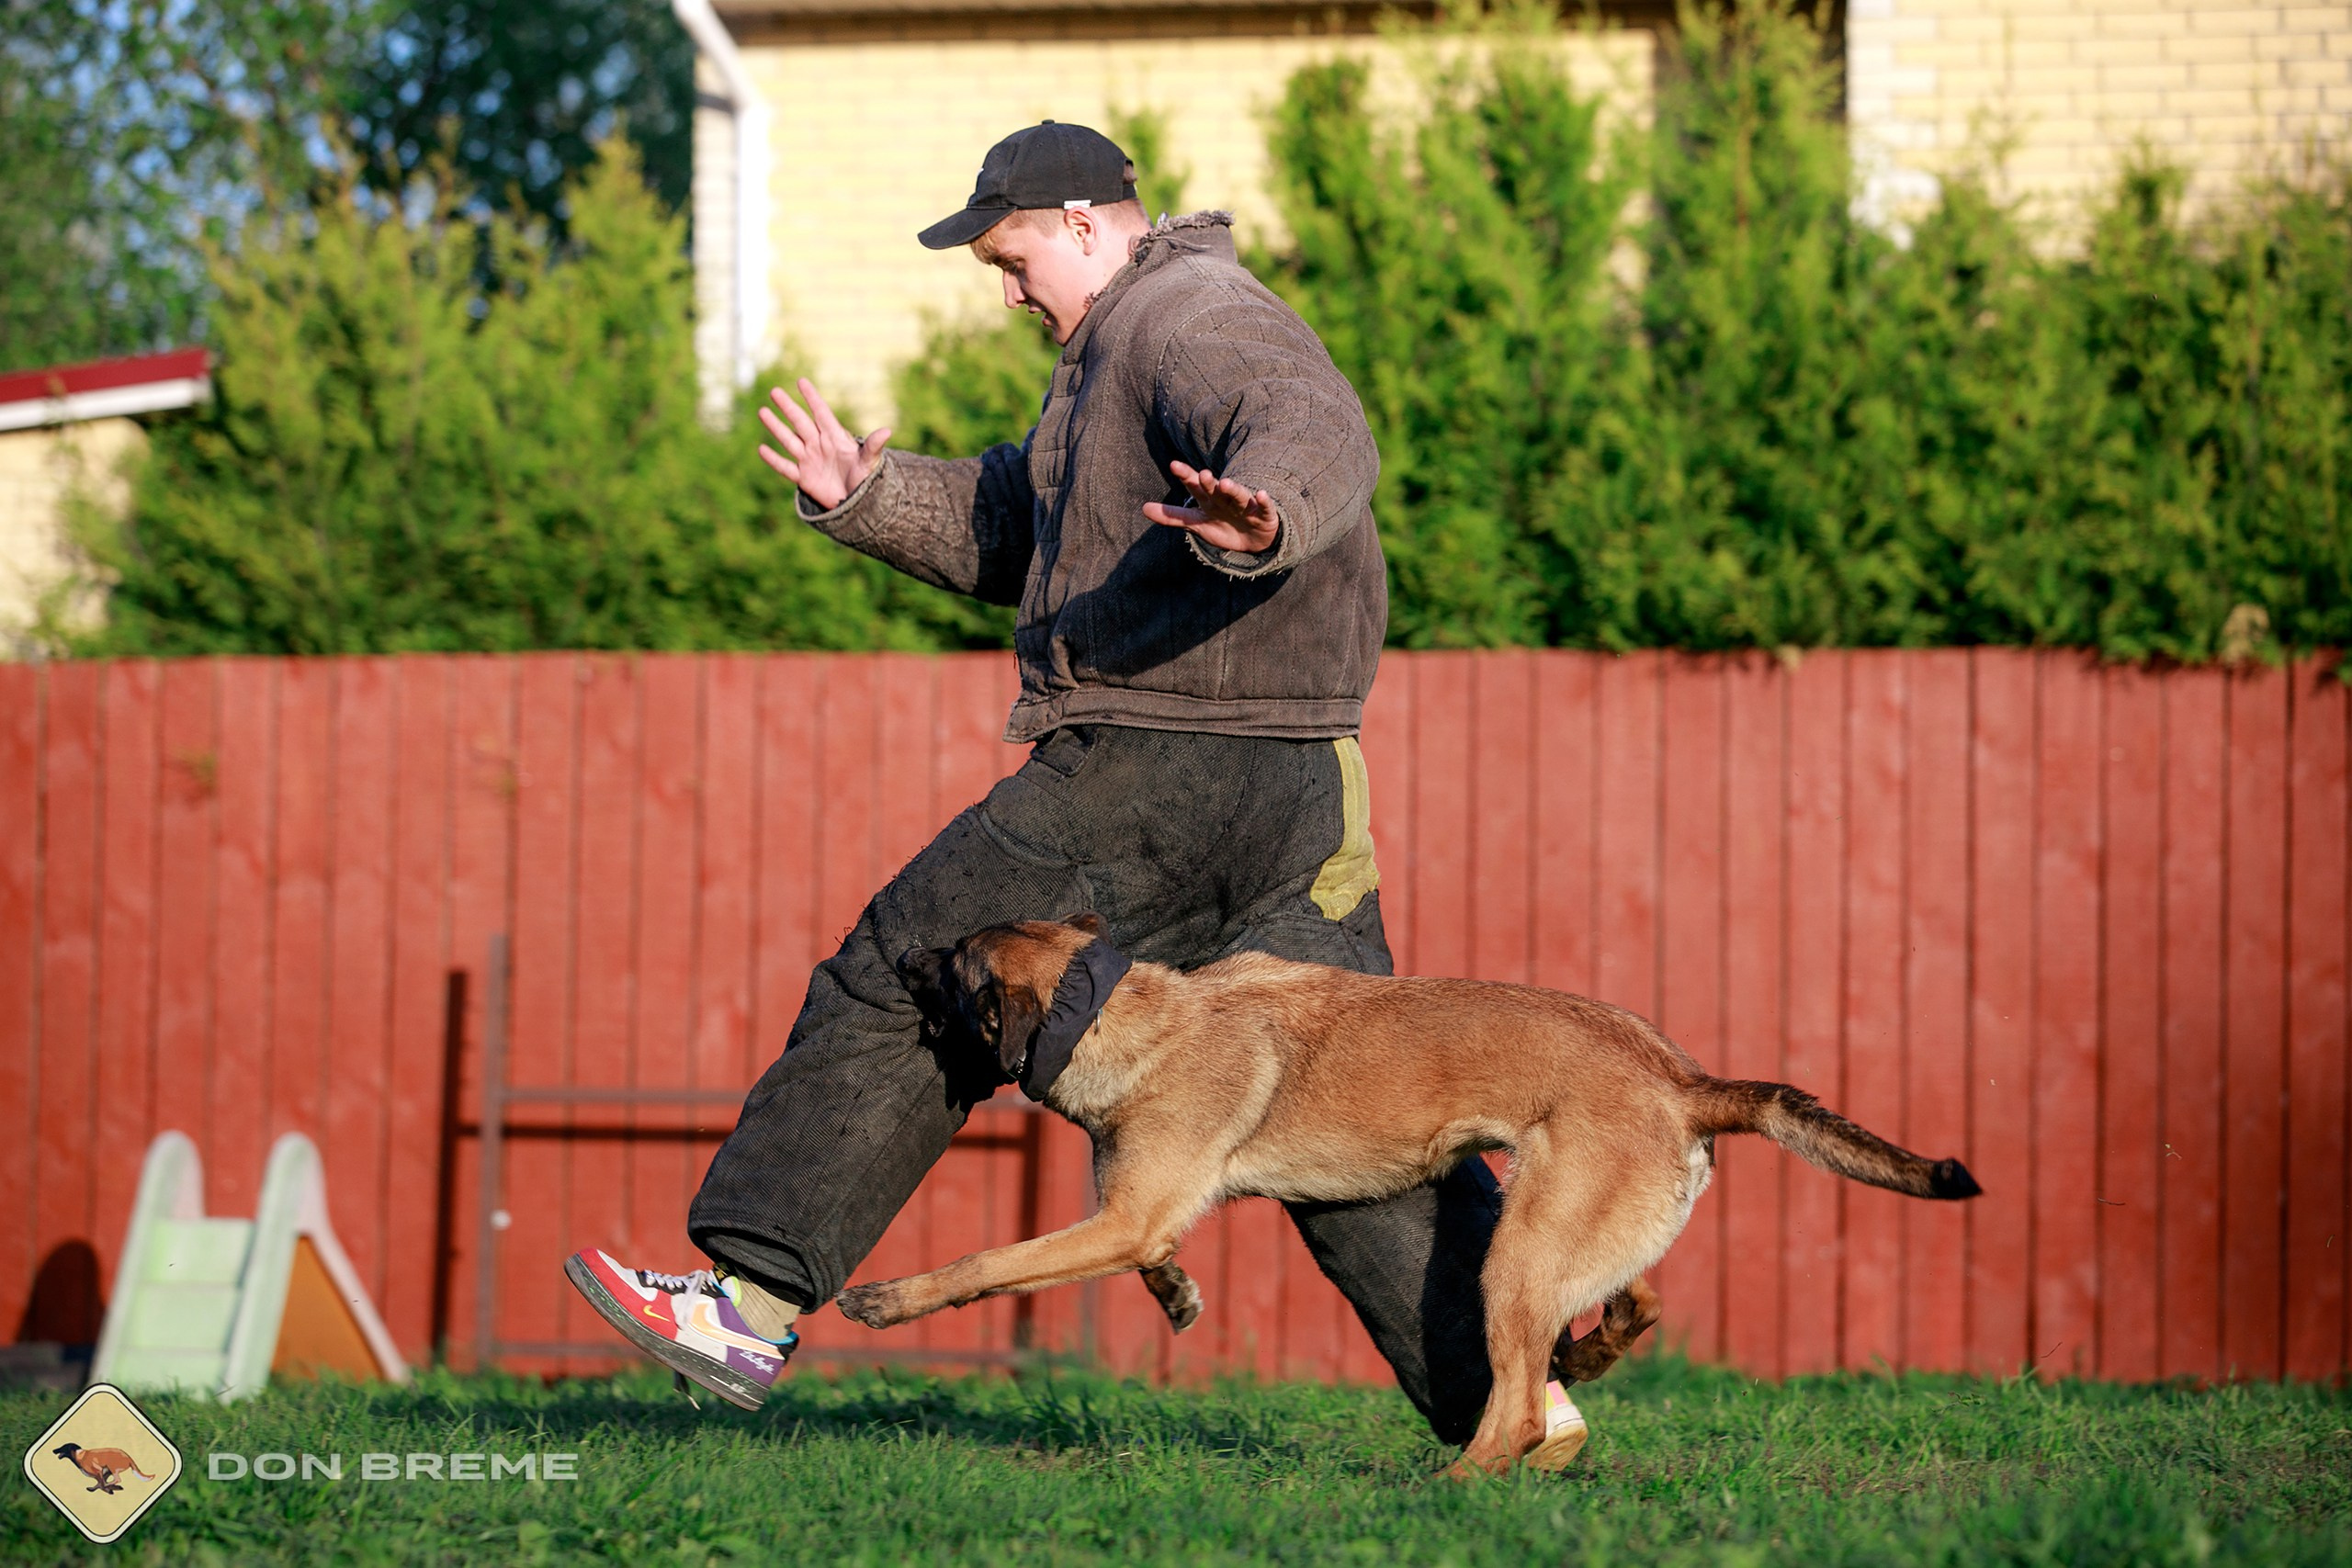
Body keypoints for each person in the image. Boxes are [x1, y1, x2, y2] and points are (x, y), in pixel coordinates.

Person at [567, 120, 1513, 1449]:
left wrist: (1272, 510)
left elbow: (1310, 421)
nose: (1007, 292)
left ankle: (745, 1304)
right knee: (1336, 1095)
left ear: (1086, 223)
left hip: (1153, 762)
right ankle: (1513, 1402)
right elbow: (1022, 528)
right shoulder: (1111, 355)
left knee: (917, 962)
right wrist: (867, 495)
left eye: (1014, 261)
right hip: (1306, 788)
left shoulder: (1186, 311)